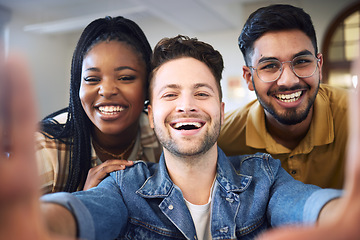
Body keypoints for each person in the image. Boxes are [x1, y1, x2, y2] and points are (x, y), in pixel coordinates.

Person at [0, 35, 359, 240]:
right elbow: (81, 213)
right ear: (150, 112)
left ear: (220, 108)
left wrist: (339, 213)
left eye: (201, 94)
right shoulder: (125, 188)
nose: (186, 106)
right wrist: (44, 223)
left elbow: (305, 205)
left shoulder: (264, 177)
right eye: (170, 95)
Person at [218, 4, 349, 189]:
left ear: (319, 67)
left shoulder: (354, 116)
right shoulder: (221, 140)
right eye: (270, 66)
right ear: (249, 77)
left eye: (302, 61)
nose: (288, 80)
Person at [36, 16, 162, 194]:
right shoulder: (44, 150)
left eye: (125, 77)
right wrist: (83, 203)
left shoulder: (163, 137)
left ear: (148, 85)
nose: (107, 90)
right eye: (92, 79)